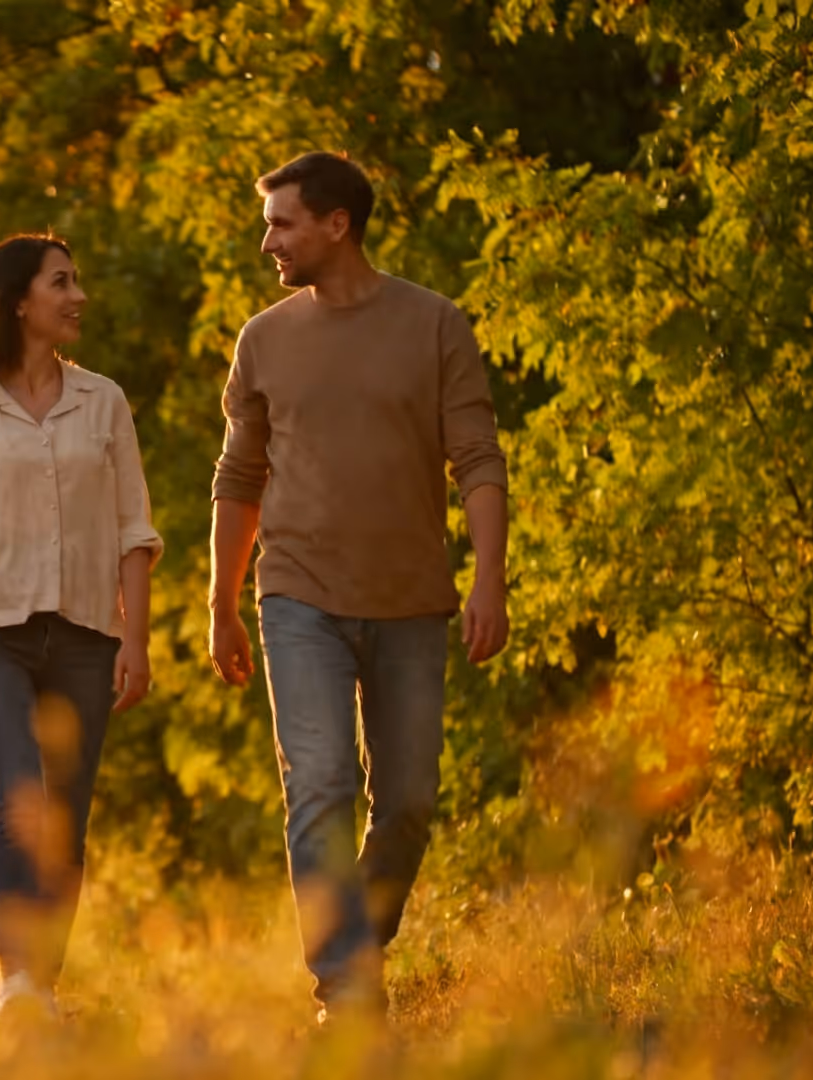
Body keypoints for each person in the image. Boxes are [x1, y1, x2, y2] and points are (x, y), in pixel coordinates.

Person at [208, 151, 509, 1025]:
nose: (268, 240)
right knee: (321, 783)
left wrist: (488, 578)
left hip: (414, 597)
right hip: (297, 594)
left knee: (409, 800)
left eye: (282, 223)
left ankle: (361, 940)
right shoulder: (263, 338)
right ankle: (344, 984)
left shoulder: (435, 324)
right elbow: (238, 478)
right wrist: (222, 602)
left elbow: (478, 460)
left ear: (337, 224)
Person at [0, 234, 162, 1018]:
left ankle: (43, 983)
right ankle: (15, 977)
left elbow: (134, 530)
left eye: (76, 281)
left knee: (67, 811)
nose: (77, 295)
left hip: (88, 633)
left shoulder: (105, 402)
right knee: (16, 796)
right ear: (19, 300)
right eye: (62, 282)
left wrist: (136, 637)